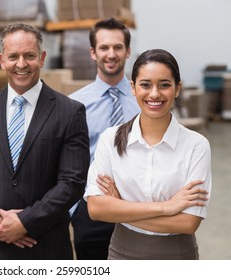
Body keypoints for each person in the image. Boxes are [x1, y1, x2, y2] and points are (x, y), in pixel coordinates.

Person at [0, 22, 90, 260]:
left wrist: (25, 222)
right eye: (13, 56)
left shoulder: (69, 112)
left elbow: (73, 182)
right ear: (1, 60)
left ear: (42, 58)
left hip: (46, 245)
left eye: (29, 56)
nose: (21, 64)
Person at [85, 49, 212, 260]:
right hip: (122, 255)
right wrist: (167, 207)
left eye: (164, 85)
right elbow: (96, 209)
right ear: (133, 87)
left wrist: (120, 208)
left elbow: (188, 223)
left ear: (177, 88)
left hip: (178, 258)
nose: (154, 94)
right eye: (145, 84)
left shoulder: (196, 145)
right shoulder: (110, 139)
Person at [69, 17, 140, 259]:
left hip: (137, 206)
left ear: (128, 51)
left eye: (118, 47)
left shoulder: (145, 101)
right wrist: (73, 210)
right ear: (93, 52)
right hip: (91, 210)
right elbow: (67, 161)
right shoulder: (75, 104)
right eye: (104, 47)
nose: (111, 54)